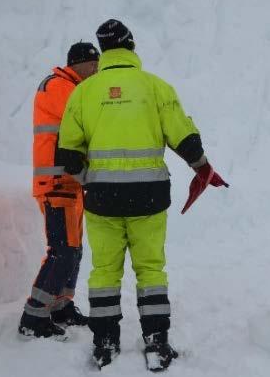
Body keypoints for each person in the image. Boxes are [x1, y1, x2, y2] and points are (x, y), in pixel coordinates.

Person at [56, 19, 228, 370]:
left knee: (104, 270)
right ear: (131, 46)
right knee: (150, 269)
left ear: (103, 51)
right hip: (149, 198)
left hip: (102, 200)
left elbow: (67, 156)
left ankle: (105, 343)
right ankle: (156, 343)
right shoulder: (155, 87)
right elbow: (185, 140)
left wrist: (91, 178)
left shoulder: (84, 93)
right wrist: (202, 167)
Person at [19, 42, 99, 339]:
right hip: (56, 183)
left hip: (70, 183)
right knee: (62, 251)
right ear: (80, 64)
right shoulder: (60, 87)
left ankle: (61, 305)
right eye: (94, 65)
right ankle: (34, 315)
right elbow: (84, 125)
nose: (97, 71)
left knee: (74, 251)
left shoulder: (68, 86)